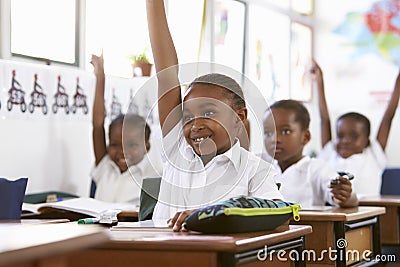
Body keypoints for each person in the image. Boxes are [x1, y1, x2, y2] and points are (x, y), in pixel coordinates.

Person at [146, 0, 282, 231]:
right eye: (187, 117)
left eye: (209, 112)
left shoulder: (255, 169)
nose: (195, 125)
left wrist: (210, 217)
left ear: (239, 117)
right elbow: (167, 75)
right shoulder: (176, 149)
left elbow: (279, 220)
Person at [311, 60, 400, 196]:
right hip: (332, 215)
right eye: (340, 136)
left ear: (367, 141)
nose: (345, 141)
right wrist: (319, 80)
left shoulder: (373, 155)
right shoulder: (330, 153)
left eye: (354, 136)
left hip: (367, 216)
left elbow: (388, 117)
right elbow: (324, 119)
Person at [90, 53, 161, 204]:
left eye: (132, 145)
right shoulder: (105, 166)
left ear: (147, 147)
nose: (122, 151)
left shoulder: (153, 179)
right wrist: (100, 77)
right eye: (115, 145)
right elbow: (97, 125)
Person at [262, 100, 358, 208]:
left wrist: (346, 195)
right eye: (268, 132)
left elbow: (349, 199)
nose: (275, 139)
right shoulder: (259, 165)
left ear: (306, 137)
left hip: (307, 224)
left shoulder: (317, 169)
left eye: (286, 132)